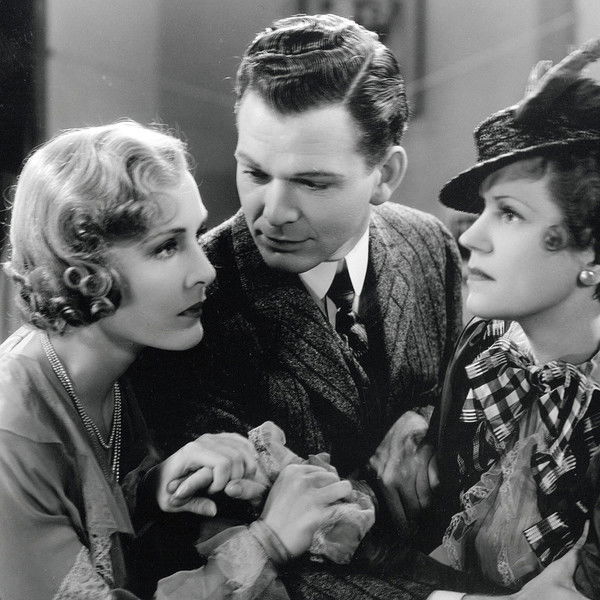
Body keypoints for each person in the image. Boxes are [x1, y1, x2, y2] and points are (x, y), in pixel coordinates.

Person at [0, 120, 356, 599]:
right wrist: (267, 541)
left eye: (196, 235)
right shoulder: (11, 433)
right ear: (83, 271)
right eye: (167, 246)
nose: (206, 270)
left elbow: (84, 513)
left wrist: (153, 489)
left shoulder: (113, 370)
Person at [373, 39, 600, 599]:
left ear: (592, 250)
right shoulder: (485, 350)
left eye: (510, 214)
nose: (471, 236)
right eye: (484, 210)